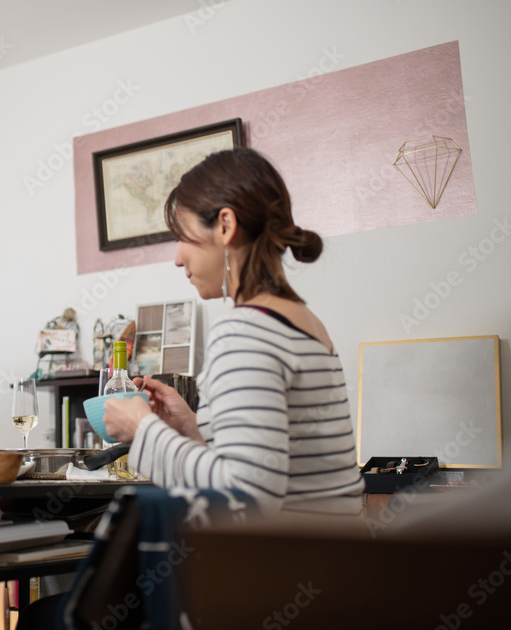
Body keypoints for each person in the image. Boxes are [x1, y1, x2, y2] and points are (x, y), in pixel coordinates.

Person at [103, 147, 365, 518]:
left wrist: (141, 428)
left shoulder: (245, 331)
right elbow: (276, 465)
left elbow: (247, 495)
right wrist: (191, 427)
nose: (178, 258)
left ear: (225, 225)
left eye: (182, 236)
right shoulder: (303, 321)